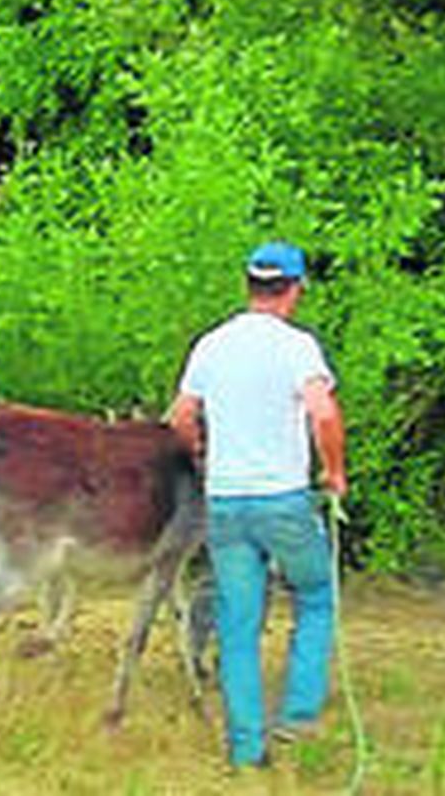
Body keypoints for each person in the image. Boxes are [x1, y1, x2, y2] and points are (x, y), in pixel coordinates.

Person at [168, 241, 348, 771]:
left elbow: (181, 416)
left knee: (238, 622)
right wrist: (334, 473)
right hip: (283, 500)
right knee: (316, 596)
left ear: (249, 285)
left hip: (225, 501)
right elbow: (323, 412)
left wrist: (201, 451)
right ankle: (296, 717)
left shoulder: (211, 346)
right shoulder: (298, 347)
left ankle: (247, 748)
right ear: (295, 289)